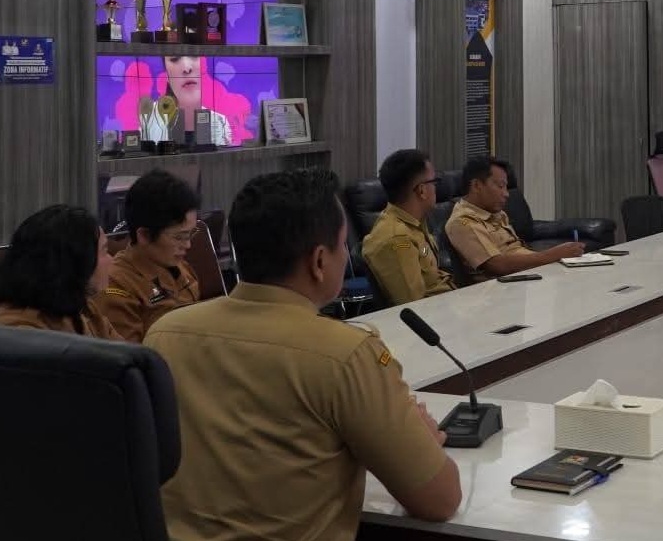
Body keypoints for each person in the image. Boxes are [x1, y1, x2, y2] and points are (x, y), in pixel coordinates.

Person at [145, 168, 461, 540]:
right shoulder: (345, 354)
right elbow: (440, 500)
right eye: (343, 245)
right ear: (319, 261)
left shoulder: (164, 335)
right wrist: (423, 440)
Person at [0, 204, 122, 340]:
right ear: (76, 264)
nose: (112, 259)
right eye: (104, 251)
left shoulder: (85, 310)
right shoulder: (17, 333)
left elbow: (126, 352)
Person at [97, 168, 202, 342]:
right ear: (144, 235)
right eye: (179, 237)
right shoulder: (118, 288)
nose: (188, 245)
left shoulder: (181, 267)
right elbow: (130, 355)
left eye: (190, 234)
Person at [445, 156, 583, 279]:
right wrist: (553, 255)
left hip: (530, 273)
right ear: (476, 186)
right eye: (500, 186)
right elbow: (496, 265)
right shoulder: (463, 222)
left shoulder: (495, 212)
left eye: (506, 187)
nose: (506, 194)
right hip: (504, 286)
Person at [362, 149, 456, 304]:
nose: (436, 188)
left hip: (450, 300)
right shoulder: (398, 239)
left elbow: (427, 262)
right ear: (422, 190)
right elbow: (414, 304)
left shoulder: (414, 225)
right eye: (434, 182)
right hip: (437, 312)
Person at [163, 56, 233, 146]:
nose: (187, 69)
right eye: (175, 59)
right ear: (167, 76)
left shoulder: (220, 121)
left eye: (194, 56)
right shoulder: (150, 121)